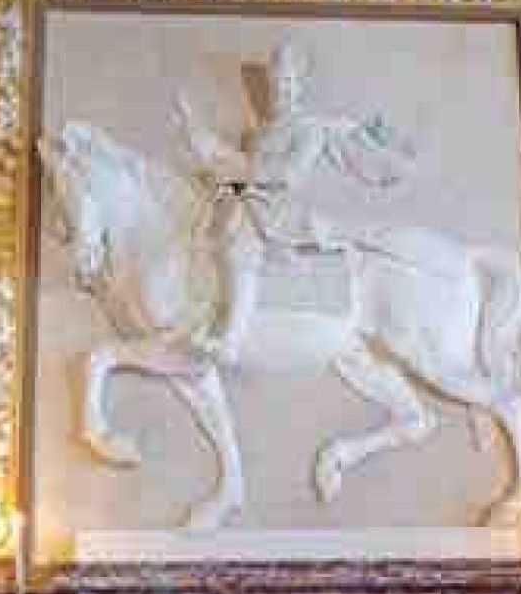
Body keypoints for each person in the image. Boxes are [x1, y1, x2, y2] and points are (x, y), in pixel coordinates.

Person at [176, 41, 411, 361]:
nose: (280, 92)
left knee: (239, 247)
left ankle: (230, 337)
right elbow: (240, 174)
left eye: (287, 84)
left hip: (280, 210)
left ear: (298, 86)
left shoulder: (308, 129)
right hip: (252, 201)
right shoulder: (259, 134)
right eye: (276, 85)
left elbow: (289, 174)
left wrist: (243, 170)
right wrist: (221, 172)